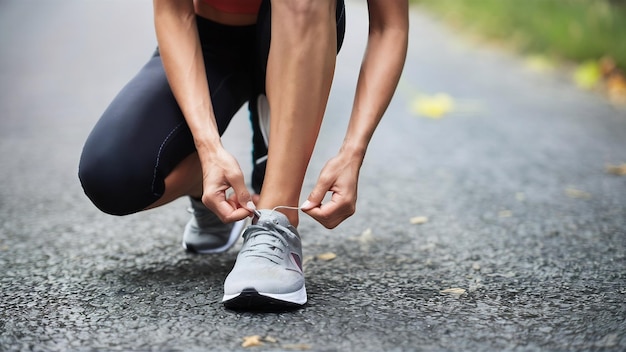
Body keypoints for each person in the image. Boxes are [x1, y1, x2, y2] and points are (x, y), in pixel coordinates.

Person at [78, 0, 408, 309]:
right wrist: (208, 151)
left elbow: (389, 26)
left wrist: (353, 153)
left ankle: (275, 223)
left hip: (304, 28)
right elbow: (173, 12)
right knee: (112, 177)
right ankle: (211, 188)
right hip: (211, 40)